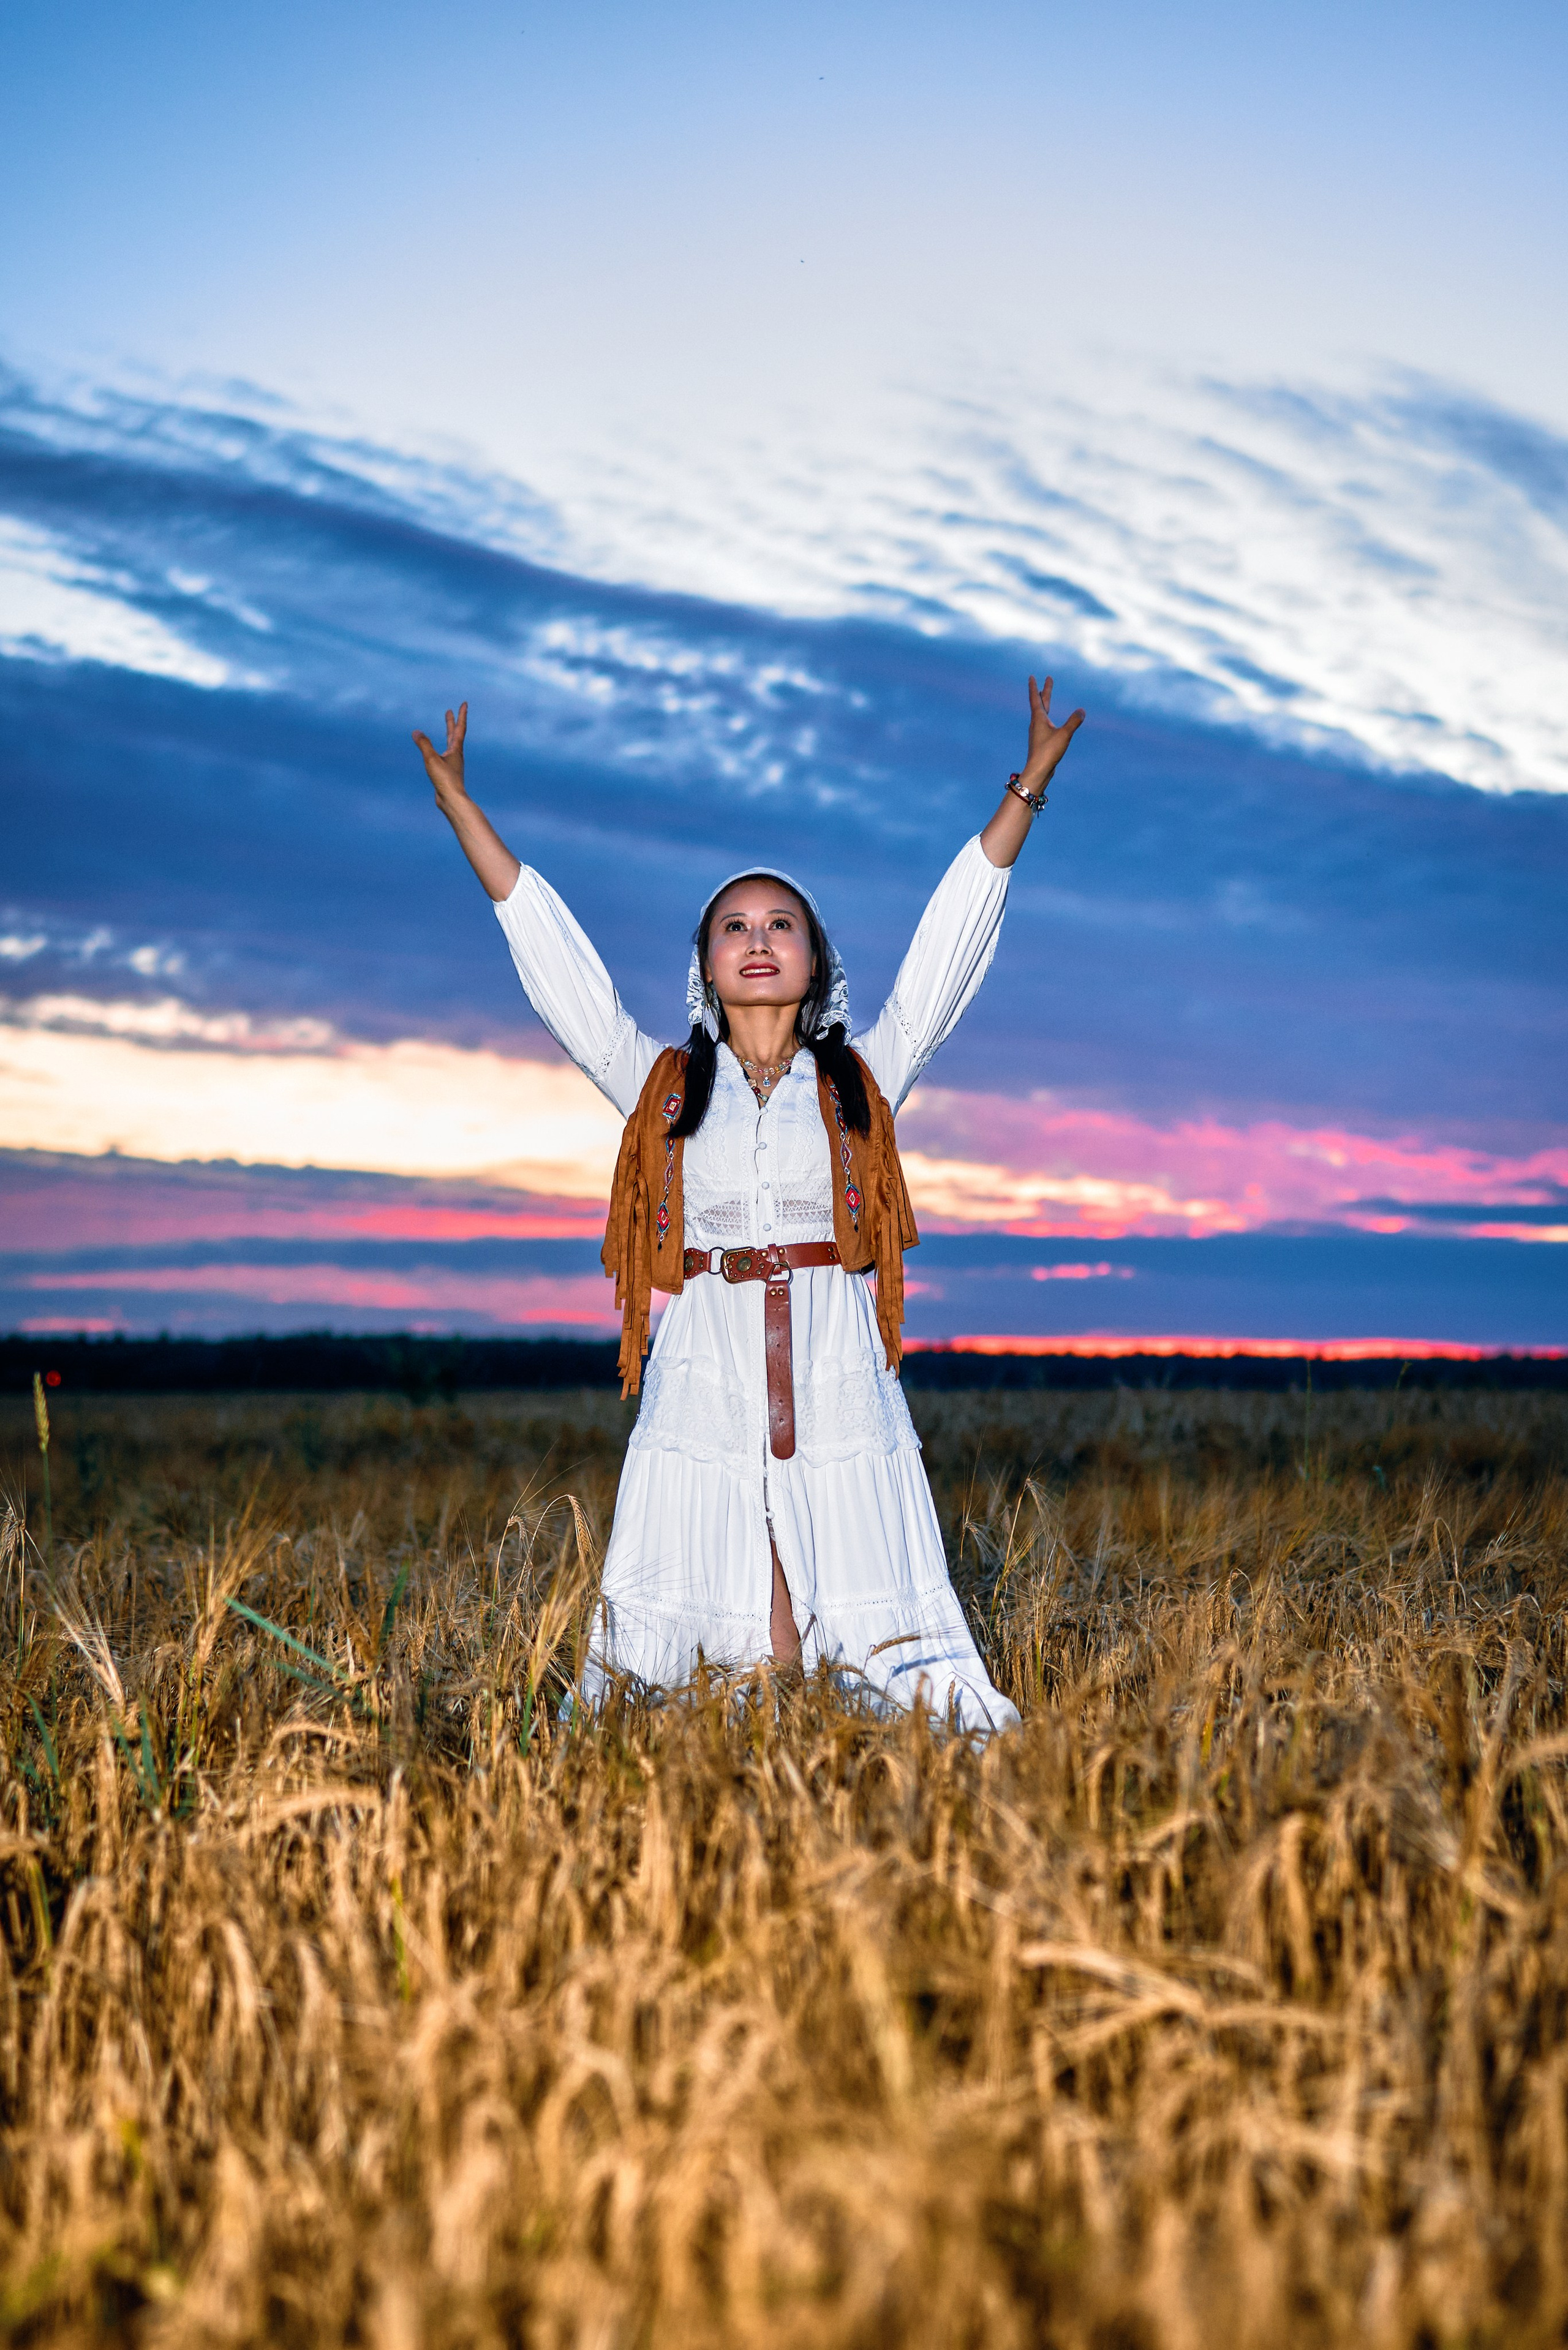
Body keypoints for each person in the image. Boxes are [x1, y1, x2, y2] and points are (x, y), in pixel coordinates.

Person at [413, 676, 1084, 1730]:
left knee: (848, 1587)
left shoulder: (863, 1076)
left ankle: (858, 1726)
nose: (758, 937)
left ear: (816, 962)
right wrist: (464, 812)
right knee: (720, 1590)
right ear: (706, 964)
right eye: (734, 925)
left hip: (833, 1344)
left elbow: (949, 953)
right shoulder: (664, 1086)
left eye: (781, 923)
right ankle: (724, 1739)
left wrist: (1028, 787)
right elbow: (563, 977)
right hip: (708, 1349)